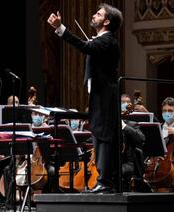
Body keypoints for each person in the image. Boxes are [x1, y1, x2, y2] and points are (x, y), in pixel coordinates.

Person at [48, 3, 123, 193]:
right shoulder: (101, 41)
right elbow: (90, 49)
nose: (94, 15)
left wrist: (60, 28)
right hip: (100, 96)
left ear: (106, 21)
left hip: (105, 97)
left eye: (98, 14)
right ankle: (104, 180)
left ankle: (105, 182)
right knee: (98, 133)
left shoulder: (107, 41)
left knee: (103, 135)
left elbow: (83, 46)